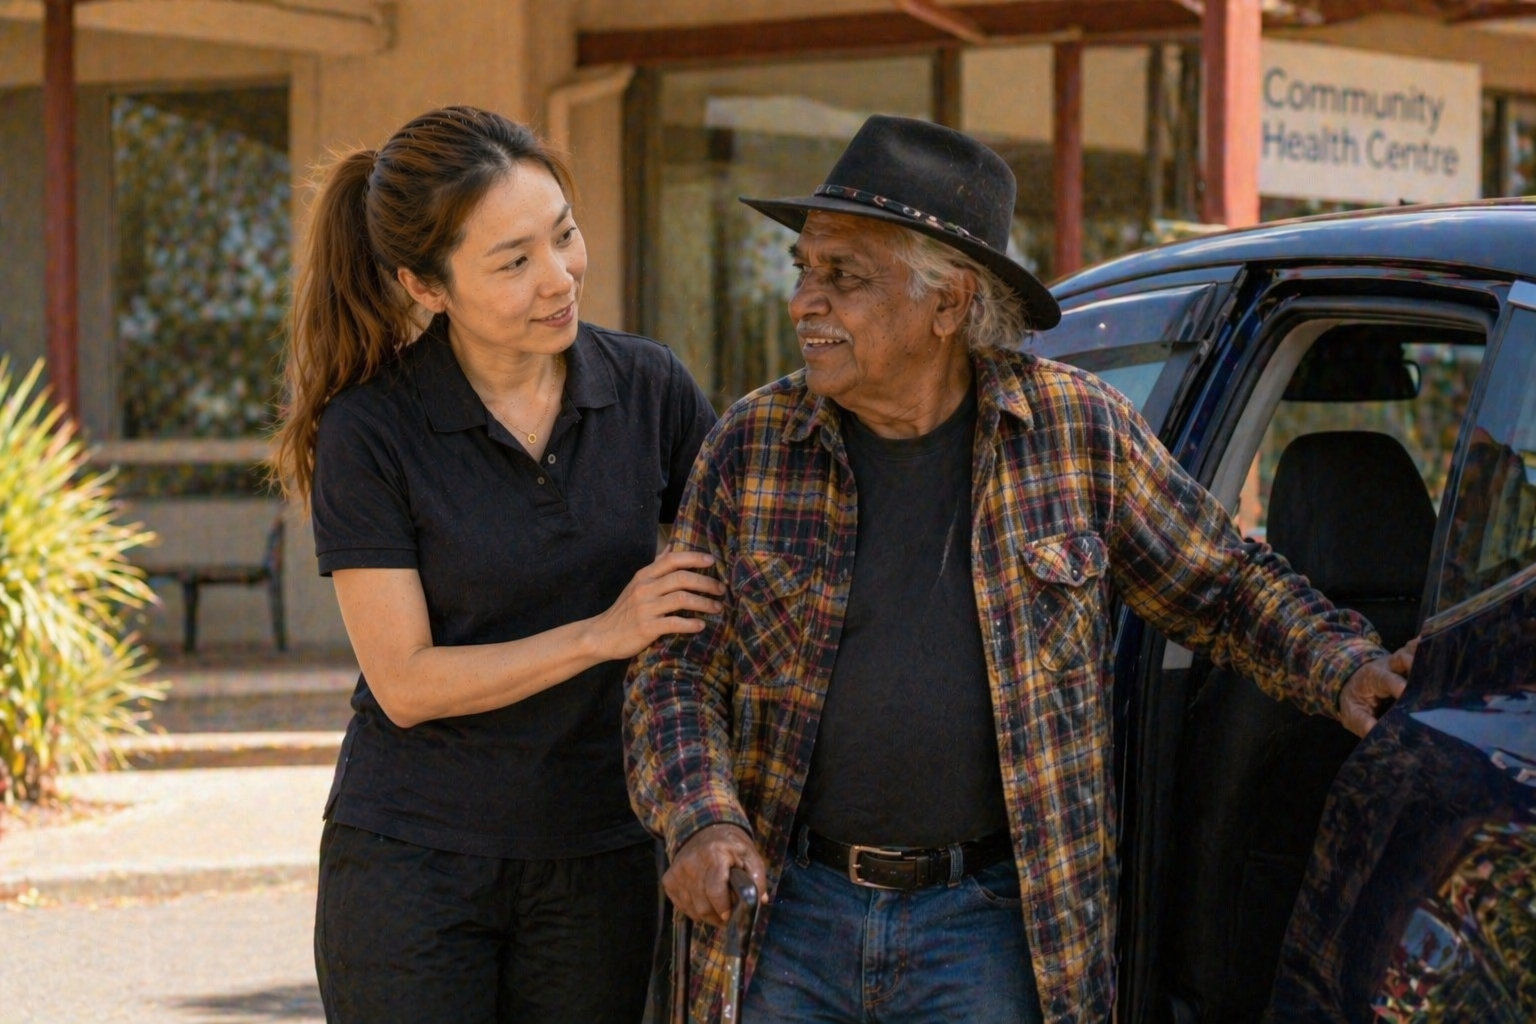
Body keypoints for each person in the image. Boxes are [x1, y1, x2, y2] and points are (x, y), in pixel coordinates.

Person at [623, 115, 1414, 1024]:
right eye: (805, 269)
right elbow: (674, 669)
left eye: (842, 276)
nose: (805, 300)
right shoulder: (750, 447)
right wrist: (701, 817)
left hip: (993, 928)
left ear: (949, 304)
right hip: (789, 914)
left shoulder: (1076, 434)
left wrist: (1344, 666)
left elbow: (1224, 583)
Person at [271, 106, 722, 1023]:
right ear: (425, 286)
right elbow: (405, 683)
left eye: (563, 235)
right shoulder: (371, 428)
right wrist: (604, 634)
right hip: (414, 863)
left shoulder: (651, 389)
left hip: (603, 851)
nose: (559, 279)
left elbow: (721, 602)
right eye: (514, 262)